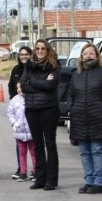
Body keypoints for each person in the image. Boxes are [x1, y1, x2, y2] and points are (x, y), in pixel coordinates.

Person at [68, 44, 102, 194]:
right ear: (81, 57)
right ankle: (88, 181)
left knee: (97, 150)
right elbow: (70, 94)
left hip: (98, 118)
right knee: (84, 151)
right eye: (85, 53)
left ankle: (99, 183)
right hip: (80, 118)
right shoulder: (76, 74)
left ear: (97, 55)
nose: (88, 56)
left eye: (91, 53)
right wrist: (72, 107)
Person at [20, 39, 61, 191]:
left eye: (43, 48)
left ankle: (51, 180)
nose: (40, 51)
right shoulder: (29, 65)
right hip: (32, 109)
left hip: (49, 109)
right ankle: (40, 178)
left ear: (48, 50)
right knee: (37, 145)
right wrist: (41, 82)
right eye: (37, 48)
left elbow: (51, 85)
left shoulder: (54, 65)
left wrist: (33, 82)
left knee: (50, 144)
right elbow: (23, 85)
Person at [8, 46, 32, 179]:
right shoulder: (16, 70)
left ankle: (36, 169)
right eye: (21, 54)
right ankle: (21, 169)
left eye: (26, 54)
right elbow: (11, 86)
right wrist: (14, 100)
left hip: (32, 108)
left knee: (34, 145)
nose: (24, 56)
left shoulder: (34, 69)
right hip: (18, 112)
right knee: (20, 143)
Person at [6, 83, 36, 182]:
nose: (19, 90)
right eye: (17, 88)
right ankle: (23, 172)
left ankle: (35, 172)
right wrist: (14, 123)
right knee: (22, 153)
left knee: (33, 152)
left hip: (31, 131)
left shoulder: (32, 98)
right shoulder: (14, 100)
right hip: (19, 131)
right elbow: (10, 112)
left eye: (21, 88)